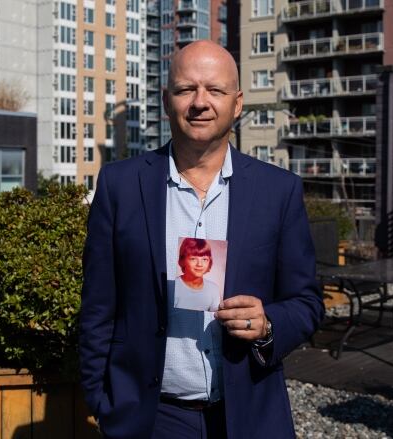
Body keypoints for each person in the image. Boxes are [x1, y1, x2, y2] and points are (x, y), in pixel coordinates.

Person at [79, 40, 324, 439]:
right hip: (150, 417)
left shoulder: (278, 191)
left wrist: (268, 325)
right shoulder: (120, 185)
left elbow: (308, 301)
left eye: (215, 90)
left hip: (247, 413)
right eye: (185, 89)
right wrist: (99, 400)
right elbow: (98, 306)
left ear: (238, 103)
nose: (199, 102)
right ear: (166, 99)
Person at [174, 238, 222, 312]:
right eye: (193, 259)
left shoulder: (213, 289)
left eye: (204, 259)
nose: (199, 264)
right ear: (182, 260)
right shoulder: (174, 286)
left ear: (210, 261)